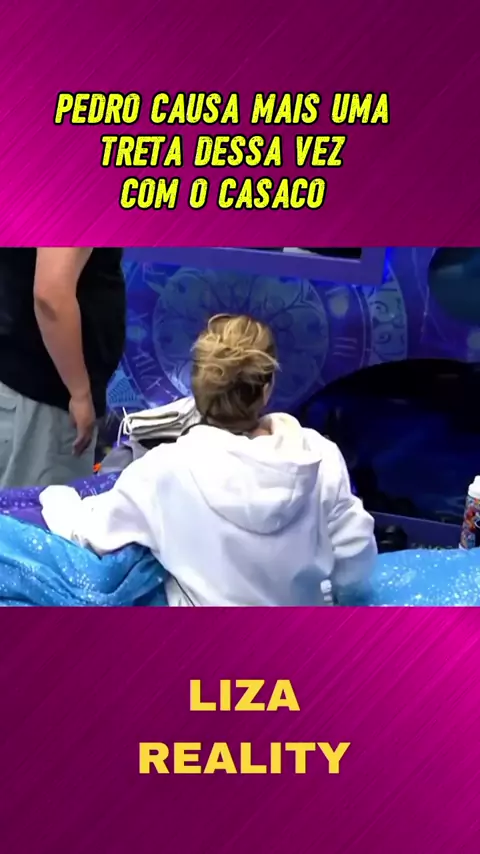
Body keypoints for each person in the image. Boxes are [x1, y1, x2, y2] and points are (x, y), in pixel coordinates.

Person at [40, 313, 377, 606]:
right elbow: (355, 557)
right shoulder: (319, 456)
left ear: (197, 384)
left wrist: (57, 498)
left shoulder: (164, 470)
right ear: (266, 388)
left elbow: (92, 533)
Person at [0, 248, 126, 488]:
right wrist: (79, 393)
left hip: (23, 379)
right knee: (41, 507)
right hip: (44, 396)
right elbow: (51, 297)